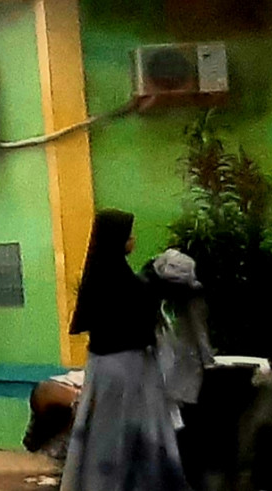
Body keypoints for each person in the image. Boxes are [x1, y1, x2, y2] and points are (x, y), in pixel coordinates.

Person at [61, 210, 188, 491]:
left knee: (101, 434)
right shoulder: (126, 282)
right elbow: (144, 317)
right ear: (119, 240)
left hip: (102, 368)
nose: (133, 240)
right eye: (128, 235)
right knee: (123, 435)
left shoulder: (102, 276)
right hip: (126, 370)